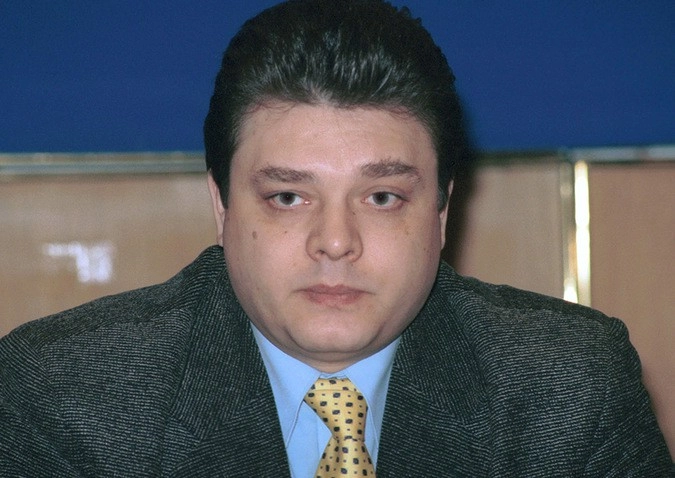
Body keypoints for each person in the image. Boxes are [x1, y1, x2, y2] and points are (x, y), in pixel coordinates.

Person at [0, 0, 672, 476]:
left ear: (441, 212)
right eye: (288, 197)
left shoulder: (569, 386)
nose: (334, 242)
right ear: (222, 206)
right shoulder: (65, 396)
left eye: (381, 198)